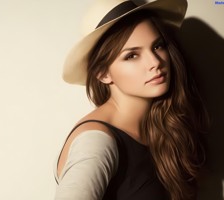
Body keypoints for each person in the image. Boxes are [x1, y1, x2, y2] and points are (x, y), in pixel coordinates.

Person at [54, 0, 208, 199]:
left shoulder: (159, 125)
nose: (155, 62)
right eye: (132, 56)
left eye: (157, 46)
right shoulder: (96, 142)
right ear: (102, 73)